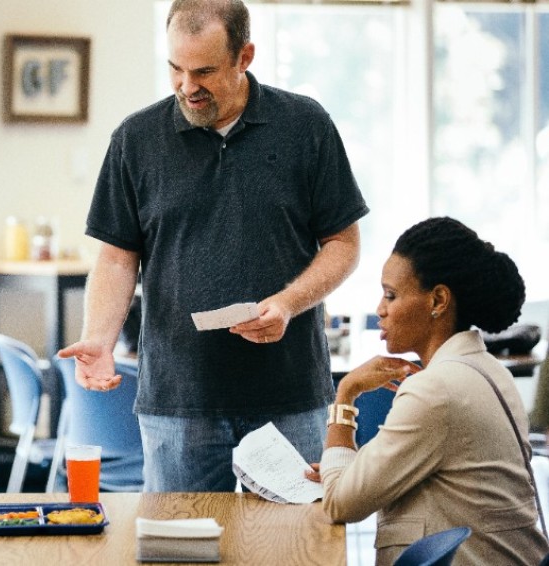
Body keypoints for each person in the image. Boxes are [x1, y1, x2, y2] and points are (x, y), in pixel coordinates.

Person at [58, 0, 368, 492]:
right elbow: (117, 258)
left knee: (293, 550)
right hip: (178, 401)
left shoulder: (306, 126)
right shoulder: (136, 139)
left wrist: (288, 304)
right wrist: (100, 336)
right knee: (179, 549)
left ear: (245, 56)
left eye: (203, 71)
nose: (186, 86)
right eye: (175, 69)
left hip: (289, 395)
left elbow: (343, 244)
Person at [308, 217, 549, 564]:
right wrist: (355, 470)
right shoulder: (488, 369)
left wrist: (345, 394)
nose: (380, 310)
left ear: (437, 300)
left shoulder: (436, 389)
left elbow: (338, 505)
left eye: (391, 295)